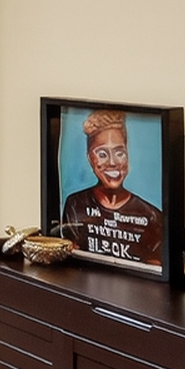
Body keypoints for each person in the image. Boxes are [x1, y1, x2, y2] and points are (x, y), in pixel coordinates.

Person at [58, 109, 164, 266]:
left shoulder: (152, 216)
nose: (113, 162)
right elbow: (69, 261)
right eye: (102, 154)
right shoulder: (75, 204)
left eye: (119, 153)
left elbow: (156, 270)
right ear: (90, 158)